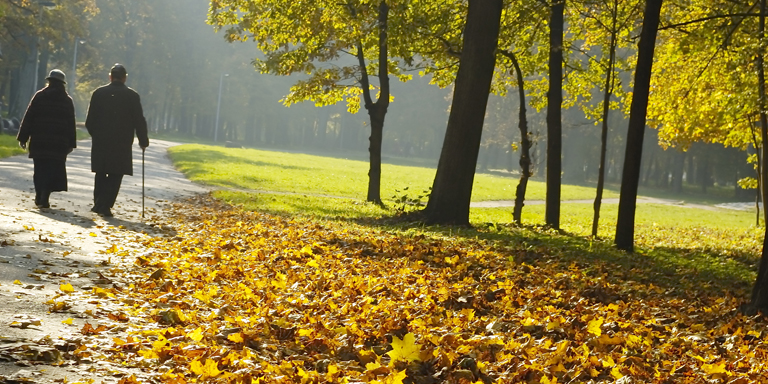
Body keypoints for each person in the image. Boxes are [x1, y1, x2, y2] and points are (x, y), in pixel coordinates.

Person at [85, 63, 149, 217]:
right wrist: (143, 140)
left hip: (101, 140)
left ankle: (98, 203)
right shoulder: (132, 96)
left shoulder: (98, 93)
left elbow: (89, 121)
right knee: (116, 173)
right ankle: (105, 205)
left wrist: (96, 134)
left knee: (100, 172)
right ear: (125, 78)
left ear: (110, 76)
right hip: (122, 142)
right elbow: (139, 120)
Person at [16, 69, 77, 208]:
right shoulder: (67, 100)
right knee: (53, 169)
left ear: (49, 82)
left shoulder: (39, 96)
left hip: (39, 141)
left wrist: (23, 137)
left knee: (40, 169)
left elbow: (29, 117)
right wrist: (71, 143)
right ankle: (45, 196)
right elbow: (70, 123)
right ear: (63, 84)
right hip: (58, 143)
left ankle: (39, 194)